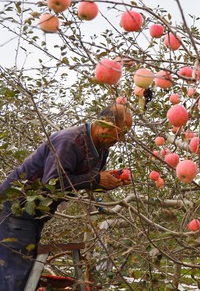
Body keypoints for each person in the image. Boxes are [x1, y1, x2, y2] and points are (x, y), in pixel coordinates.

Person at [0, 103, 133, 290]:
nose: (121, 139)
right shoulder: (71, 141)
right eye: (121, 133)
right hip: (15, 206)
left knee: (25, 270)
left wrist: (111, 181)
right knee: (15, 274)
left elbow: (86, 183)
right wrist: (96, 180)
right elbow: (52, 184)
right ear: (105, 124)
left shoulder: (102, 149)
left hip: (37, 213)